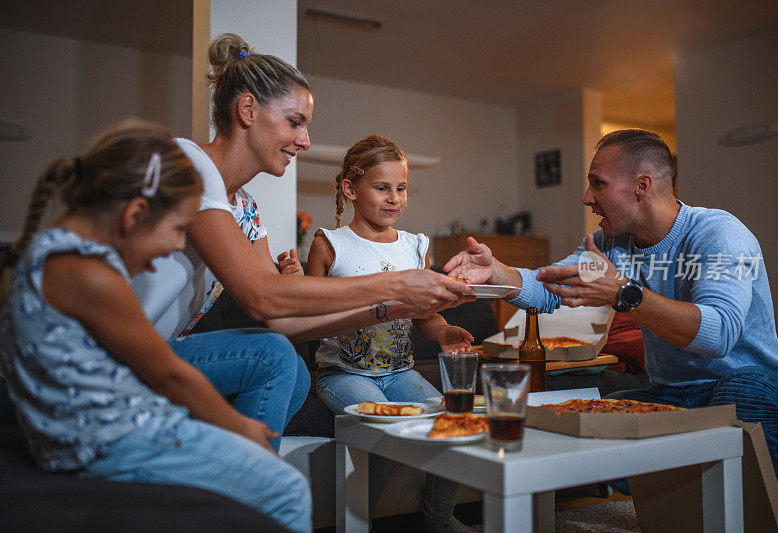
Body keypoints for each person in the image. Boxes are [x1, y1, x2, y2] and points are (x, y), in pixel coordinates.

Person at [130, 34, 472, 448]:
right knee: (274, 356)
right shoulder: (189, 165)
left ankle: (233, 472)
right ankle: (243, 481)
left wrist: (394, 308)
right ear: (248, 110)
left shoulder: (247, 211)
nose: (305, 141)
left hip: (161, 353)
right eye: (295, 122)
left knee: (288, 364)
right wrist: (399, 283)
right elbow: (264, 297)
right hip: (121, 350)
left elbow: (284, 321)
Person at [445, 129, 778, 492]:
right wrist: (495, 271)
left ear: (642, 186)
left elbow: (718, 334)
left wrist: (624, 293)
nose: (587, 198)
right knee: (578, 421)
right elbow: (550, 285)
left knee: (746, 396)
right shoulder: (611, 243)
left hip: (751, 387)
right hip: (672, 394)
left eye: (598, 184)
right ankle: (685, 500)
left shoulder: (718, 233)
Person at [0, 120, 312, 531]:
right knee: (287, 490)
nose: (178, 246)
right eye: (179, 230)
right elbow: (168, 374)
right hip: (117, 439)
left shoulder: (48, 255)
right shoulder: (90, 275)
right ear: (135, 214)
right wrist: (241, 429)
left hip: (90, 435)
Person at [306, 135, 475, 532]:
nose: (394, 198)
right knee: (380, 432)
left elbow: (425, 318)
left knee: (453, 422)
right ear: (350, 189)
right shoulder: (329, 245)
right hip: (342, 375)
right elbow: (306, 316)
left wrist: (445, 332)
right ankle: (357, 524)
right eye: (382, 188)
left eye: (401, 189)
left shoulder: (415, 247)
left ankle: (439, 520)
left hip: (399, 372)